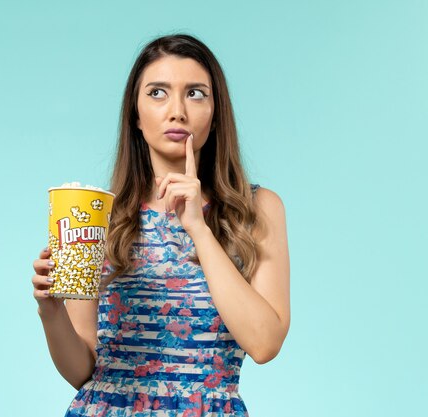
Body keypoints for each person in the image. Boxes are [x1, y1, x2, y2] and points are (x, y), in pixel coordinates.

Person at [31, 33, 290, 416]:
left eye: (196, 93)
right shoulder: (98, 215)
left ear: (216, 113)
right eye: (157, 92)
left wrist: (199, 229)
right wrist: (50, 311)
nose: (177, 111)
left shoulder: (256, 208)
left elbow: (264, 343)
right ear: (135, 114)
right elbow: (81, 369)